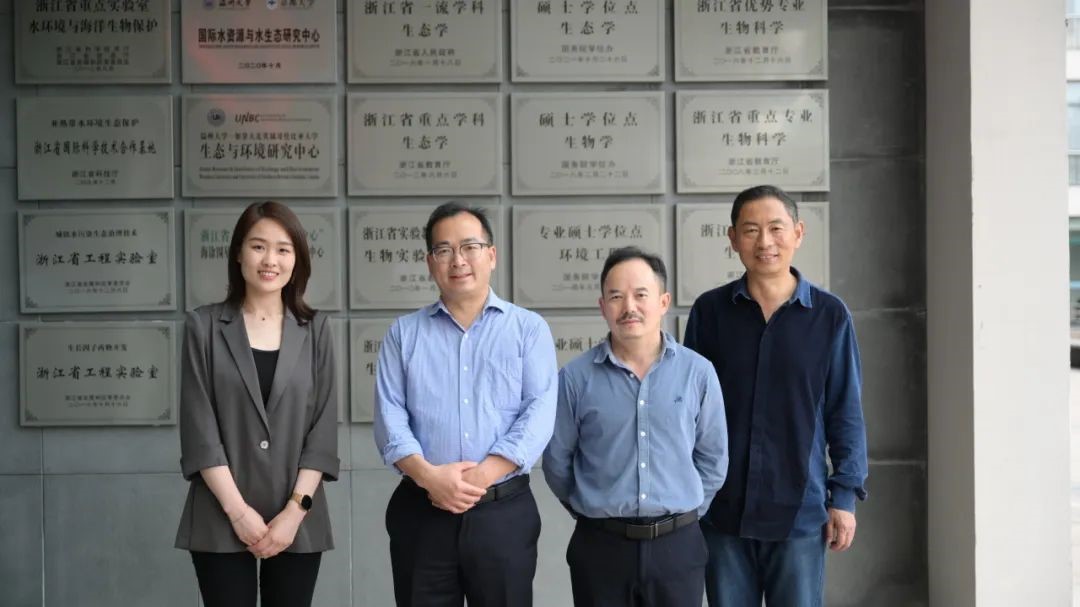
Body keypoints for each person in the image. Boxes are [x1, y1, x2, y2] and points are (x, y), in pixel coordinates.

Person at [683, 185, 868, 607]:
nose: (764, 241)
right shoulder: (710, 312)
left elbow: (845, 410)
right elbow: (688, 411)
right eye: (751, 230)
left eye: (776, 228)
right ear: (733, 239)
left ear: (798, 233)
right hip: (722, 511)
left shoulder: (829, 315)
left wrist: (844, 497)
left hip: (799, 512)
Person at [374, 201, 558, 607]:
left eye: (469, 247)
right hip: (423, 511)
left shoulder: (527, 329)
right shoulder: (403, 334)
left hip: (502, 514)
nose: (458, 260)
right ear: (430, 262)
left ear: (491, 255)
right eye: (444, 250)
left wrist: (479, 477)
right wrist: (430, 478)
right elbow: (390, 418)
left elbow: (539, 412)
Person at [544, 246, 729, 607]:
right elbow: (557, 461)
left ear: (663, 301)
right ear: (602, 307)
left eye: (641, 295)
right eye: (616, 296)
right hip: (601, 546)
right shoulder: (575, 378)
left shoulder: (697, 373)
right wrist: (593, 509)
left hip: (678, 546)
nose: (629, 307)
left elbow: (713, 459)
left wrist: (684, 511)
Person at [175, 201, 339, 607]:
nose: (270, 260)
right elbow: (200, 430)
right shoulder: (204, 326)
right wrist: (237, 512)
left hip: (297, 517)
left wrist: (295, 512)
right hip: (220, 513)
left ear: (297, 259)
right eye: (258, 246)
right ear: (238, 253)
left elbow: (322, 432)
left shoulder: (316, 329)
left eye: (283, 249)